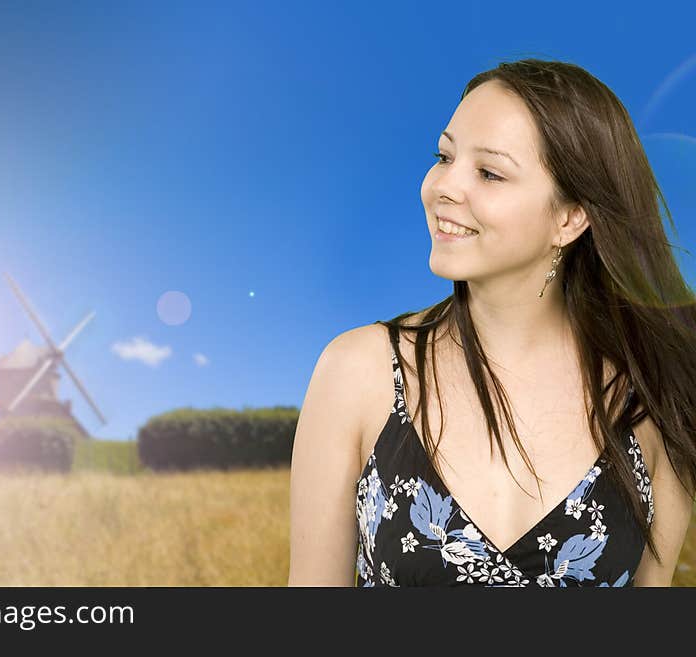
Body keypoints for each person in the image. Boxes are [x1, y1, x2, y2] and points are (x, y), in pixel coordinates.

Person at [288, 58, 696, 587]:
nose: (442, 188)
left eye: (489, 172)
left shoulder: (655, 401)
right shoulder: (357, 371)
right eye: (444, 156)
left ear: (570, 218)